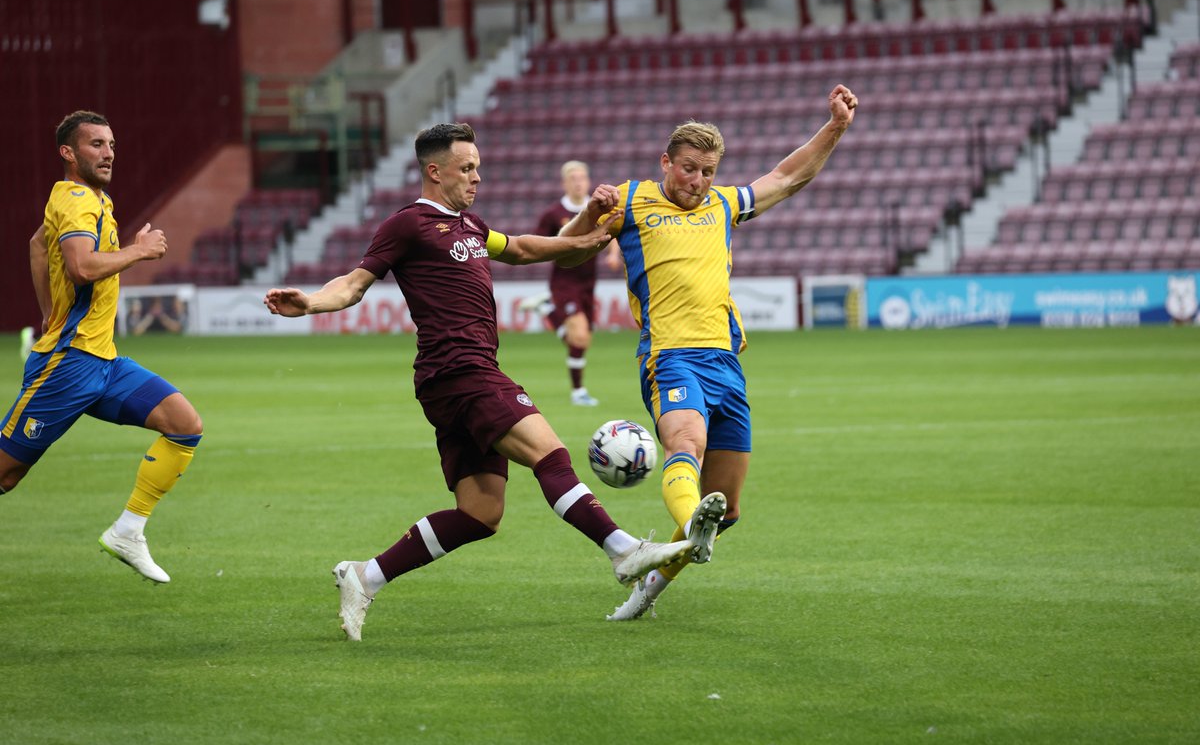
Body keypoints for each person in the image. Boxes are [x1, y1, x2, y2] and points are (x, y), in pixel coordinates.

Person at [263, 123, 699, 641]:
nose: (477, 176)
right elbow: (355, 284)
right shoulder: (408, 224)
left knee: (480, 513)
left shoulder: (469, 223)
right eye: (466, 168)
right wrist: (312, 301)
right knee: (549, 453)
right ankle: (625, 550)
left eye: (478, 167)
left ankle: (364, 576)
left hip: (454, 377)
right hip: (459, 370)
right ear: (434, 170)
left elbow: (516, 248)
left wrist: (584, 238)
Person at [559, 85, 859, 620]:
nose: (697, 181)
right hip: (669, 356)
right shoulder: (628, 200)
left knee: (729, 509)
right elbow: (566, 248)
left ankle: (645, 587)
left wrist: (835, 126)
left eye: (707, 172)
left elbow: (788, 177)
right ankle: (675, 532)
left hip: (725, 362)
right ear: (666, 162)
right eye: (688, 169)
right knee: (685, 442)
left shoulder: (722, 205)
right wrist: (589, 213)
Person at [0, 111, 204, 584]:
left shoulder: (96, 200)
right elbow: (81, 268)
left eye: (111, 143)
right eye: (95, 144)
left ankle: (128, 531)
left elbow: (36, 244)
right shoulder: (75, 199)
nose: (108, 152)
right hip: (68, 365)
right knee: (6, 475)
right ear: (68, 153)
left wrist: (48, 311)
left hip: (104, 361)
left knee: (184, 425)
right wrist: (139, 251)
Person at [519, 161, 621, 407]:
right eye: (573, 178)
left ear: (588, 181)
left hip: (588, 281)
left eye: (582, 178)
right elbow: (540, 242)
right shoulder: (553, 214)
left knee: (582, 338)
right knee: (578, 336)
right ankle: (578, 392)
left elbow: (614, 226)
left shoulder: (597, 208)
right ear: (565, 183)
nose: (578, 182)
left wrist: (613, 254)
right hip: (564, 280)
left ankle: (546, 310)